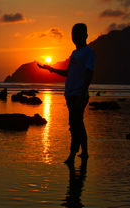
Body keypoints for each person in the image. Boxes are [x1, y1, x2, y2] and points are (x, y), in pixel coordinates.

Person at [38, 23, 95, 164]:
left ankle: (72, 155)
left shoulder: (89, 52)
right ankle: (85, 152)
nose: (75, 37)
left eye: (78, 34)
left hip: (78, 95)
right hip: (70, 94)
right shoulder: (74, 54)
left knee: (75, 124)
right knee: (77, 124)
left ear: (85, 35)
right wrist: (51, 69)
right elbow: (69, 73)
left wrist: (82, 94)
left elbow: (89, 75)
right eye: (73, 35)